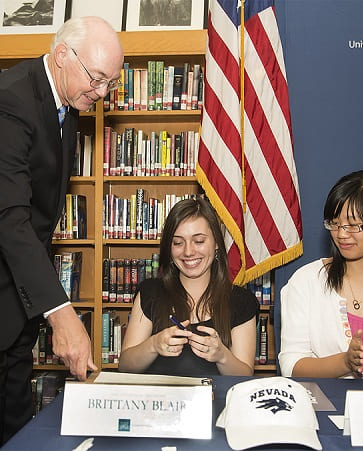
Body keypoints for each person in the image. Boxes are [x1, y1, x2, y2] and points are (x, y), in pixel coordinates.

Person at [0, 16, 123, 443]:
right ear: (61, 55)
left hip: (18, 303)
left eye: (111, 83)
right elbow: (10, 218)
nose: (103, 93)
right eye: (97, 78)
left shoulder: (67, 105)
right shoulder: (10, 100)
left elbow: (40, 217)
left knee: (14, 425)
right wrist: (60, 311)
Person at [279, 170, 363, 379]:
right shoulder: (307, 281)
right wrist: (344, 362)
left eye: (354, 225)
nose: (342, 234)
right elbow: (291, 365)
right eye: (335, 224)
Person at [118, 197, 259, 377]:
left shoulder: (241, 301)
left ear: (216, 243)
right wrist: (153, 345)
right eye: (178, 242)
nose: (188, 252)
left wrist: (222, 356)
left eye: (199, 241)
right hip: (160, 402)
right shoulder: (150, 292)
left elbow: (245, 375)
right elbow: (125, 365)